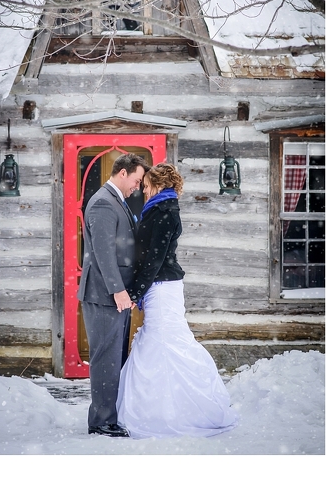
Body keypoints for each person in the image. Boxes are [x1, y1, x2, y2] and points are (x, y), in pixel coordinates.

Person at [116, 163, 238, 438]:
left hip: (162, 288)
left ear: (157, 184)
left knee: (165, 343)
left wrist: (135, 292)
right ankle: (162, 409)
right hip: (159, 286)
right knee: (162, 343)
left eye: (146, 187)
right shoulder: (159, 208)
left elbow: (153, 258)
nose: (143, 192)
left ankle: (178, 412)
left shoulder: (165, 212)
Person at [78, 153, 148, 438]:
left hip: (114, 296)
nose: (138, 185)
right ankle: (102, 422)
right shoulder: (104, 203)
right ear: (123, 173)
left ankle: (109, 415)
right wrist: (118, 290)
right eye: (136, 179)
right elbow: (103, 253)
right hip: (104, 295)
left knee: (114, 358)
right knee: (105, 359)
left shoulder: (116, 199)